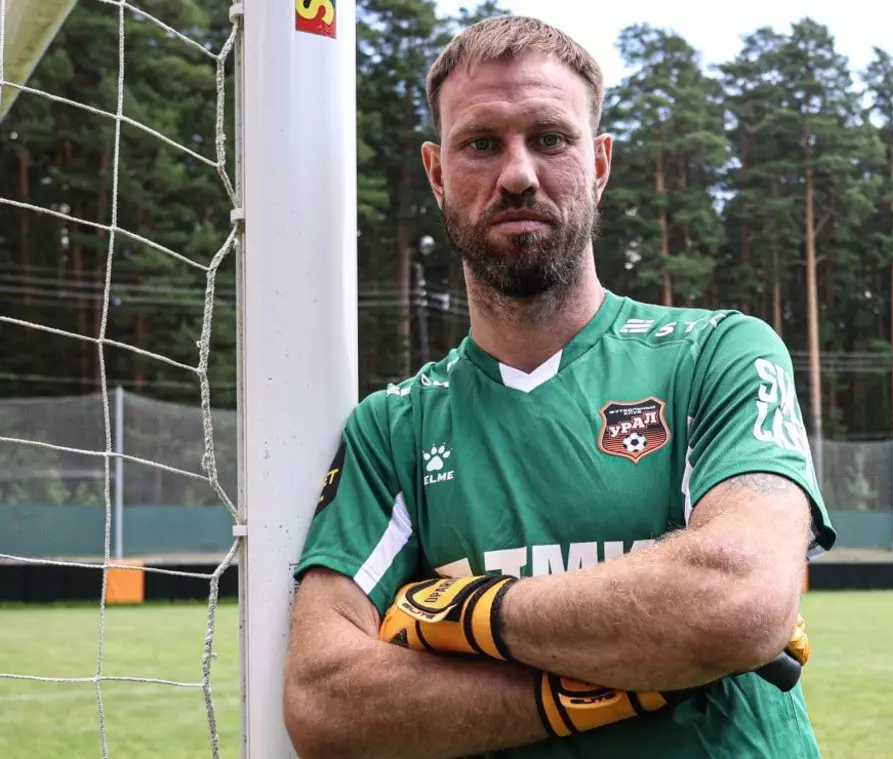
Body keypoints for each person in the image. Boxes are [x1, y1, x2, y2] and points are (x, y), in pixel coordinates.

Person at [282, 14, 836, 759]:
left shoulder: (718, 354)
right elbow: (326, 700)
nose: (517, 174)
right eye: (481, 144)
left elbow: (738, 600)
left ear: (598, 163)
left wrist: (463, 614)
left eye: (549, 138)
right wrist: (631, 682)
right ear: (437, 173)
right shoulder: (394, 428)